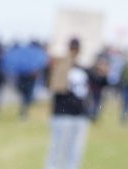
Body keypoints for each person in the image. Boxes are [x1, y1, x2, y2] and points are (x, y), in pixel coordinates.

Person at [45, 38, 90, 169]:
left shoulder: (82, 67)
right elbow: (55, 86)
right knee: (57, 149)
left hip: (79, 114)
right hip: (62, 113)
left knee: (75, 151)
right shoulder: (61, 65)